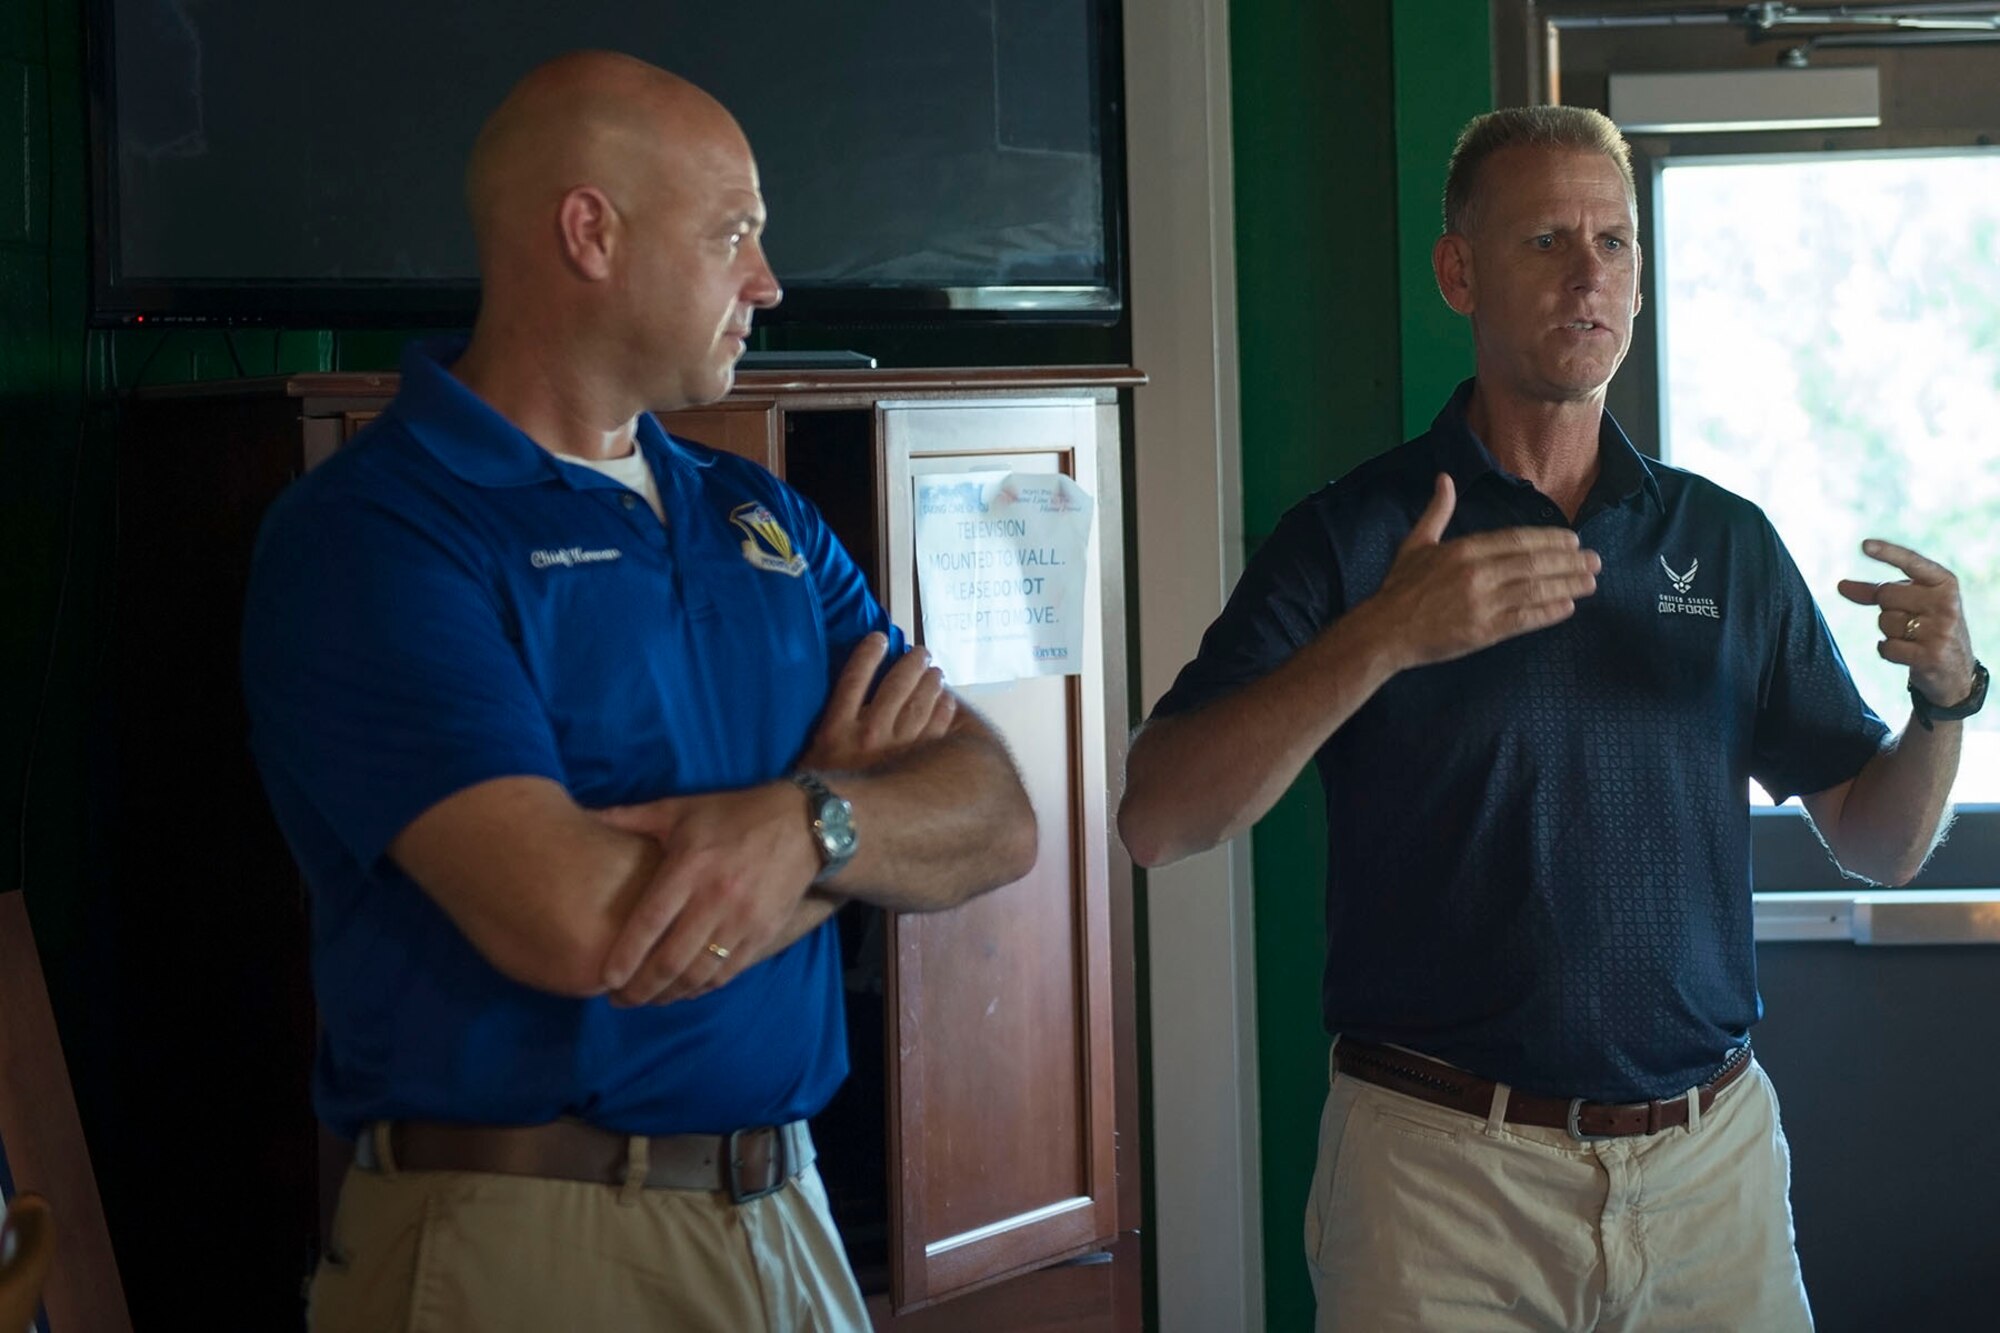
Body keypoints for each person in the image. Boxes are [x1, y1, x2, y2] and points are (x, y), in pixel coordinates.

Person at [1119, 105, 1985, 1332]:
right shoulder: (1357, 534)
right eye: (1545, 241)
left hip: (1706, 1172)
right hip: (1437, 1181)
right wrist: (1380, 639)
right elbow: (1157, 816)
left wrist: (1945, 695)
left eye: (1615, 242)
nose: (1590, 274)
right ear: (1457, 272)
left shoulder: (1721, 541)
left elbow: (1877, 840)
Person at [240, 51, 1037, 1333]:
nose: (768, 283)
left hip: (791, 1216)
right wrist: (851, 839)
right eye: (733, 234)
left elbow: (997, 813)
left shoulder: (757, 514)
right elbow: (578, 924)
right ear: (589, 231)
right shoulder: (375, 534)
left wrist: (801, 826)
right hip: (529, 1239)